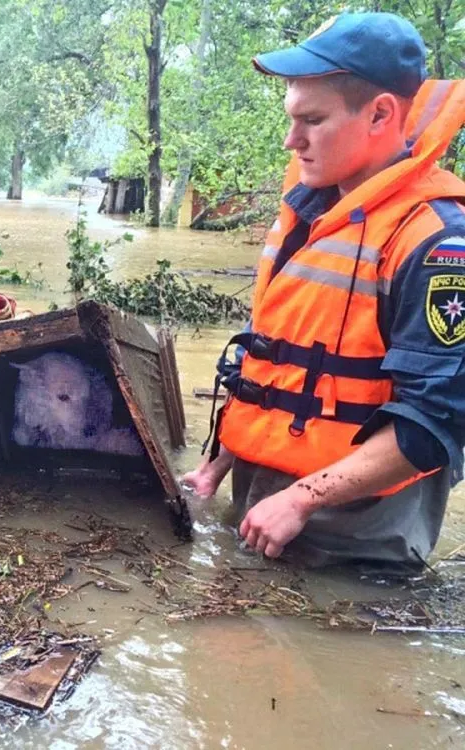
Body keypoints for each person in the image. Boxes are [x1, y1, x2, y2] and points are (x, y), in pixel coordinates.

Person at [182, 12, 465, 569]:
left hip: (354, 548)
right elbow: (276, 363)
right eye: (291, 119)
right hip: (268, 512)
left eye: (312, 120)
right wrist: (218, 464)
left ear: (381, 113)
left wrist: (302, 499)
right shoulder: (309, 212)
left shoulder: (436, 244)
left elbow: (436, 425)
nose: (292, 141)